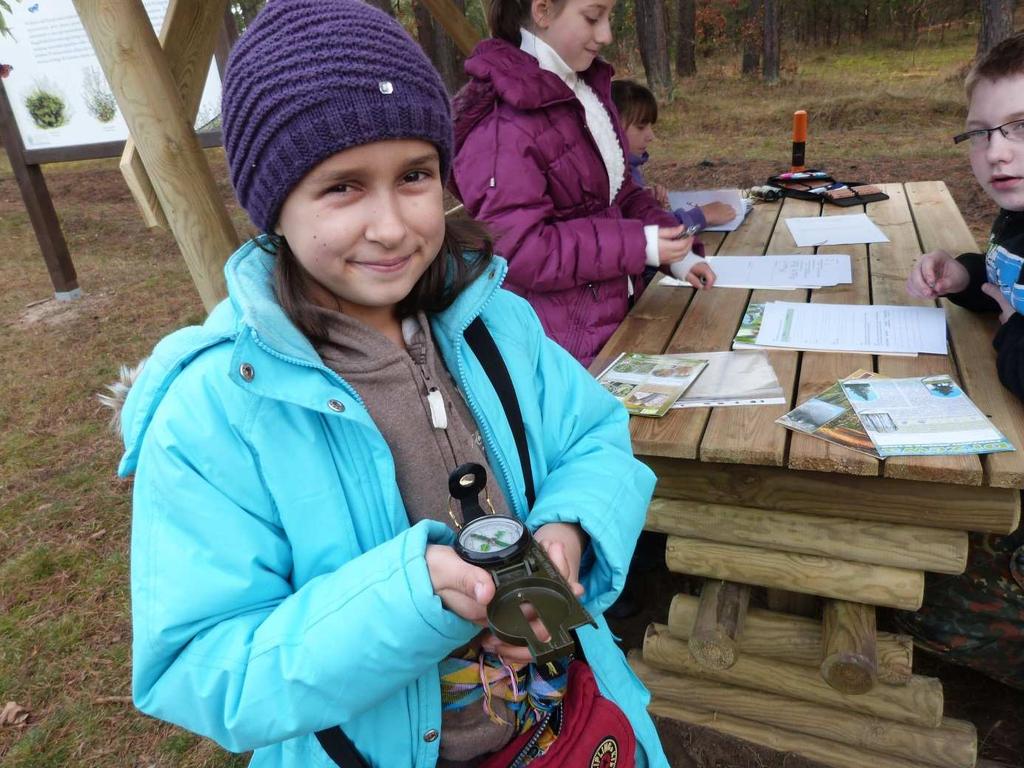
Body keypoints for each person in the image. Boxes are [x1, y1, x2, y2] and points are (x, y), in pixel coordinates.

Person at [107, 2, 672, 766]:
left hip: (570, 729)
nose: (394, 226)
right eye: (343, 187)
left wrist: (570, 527)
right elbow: (203, 667)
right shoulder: (216, 415)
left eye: (414, 176)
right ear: (274, 206)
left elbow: (595, 435)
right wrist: (408, 601)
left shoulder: (494, 323)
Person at [451, 0, 714, 367]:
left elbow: (620, 193)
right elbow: (522, 249)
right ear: (542, 11)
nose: (606, 34)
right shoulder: (503, 125)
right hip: (559, 350)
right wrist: (641, 245)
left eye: (608, 18)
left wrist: (677, 251)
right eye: (593, 18)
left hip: (612, 322)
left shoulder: (583, 92)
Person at [902, 32, 1024, 690]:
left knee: (917, 593)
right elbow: (1010, 283)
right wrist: (964, 275)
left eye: (1019, 128)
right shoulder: (1015, 215)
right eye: (980, 133)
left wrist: (1012, 334)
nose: (996, 152)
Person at [610, 79, 735, 233]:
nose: (651, 136)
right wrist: (702, 215)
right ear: (611, 126)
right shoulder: (611, 177)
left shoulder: (626, 170)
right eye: (641, 127)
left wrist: (648, 204)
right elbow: (651, 234)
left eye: (650, 126)